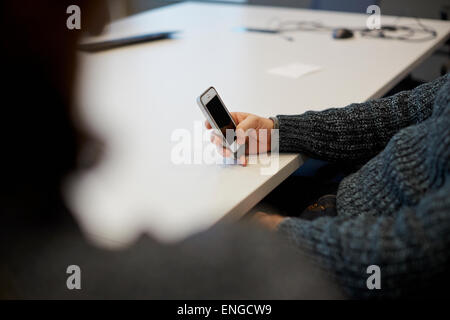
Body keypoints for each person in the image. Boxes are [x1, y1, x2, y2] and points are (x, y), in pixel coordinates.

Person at [0, 1, 343, 299]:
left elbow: (395, 249)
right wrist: (278, 131)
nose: (103, 18)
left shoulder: (243, 269)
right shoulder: (247, 271)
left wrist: (281, 233)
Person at [207, 73, 450, 298]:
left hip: (351, 248)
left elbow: (419, 252)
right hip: (352, 192)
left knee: (212, 252)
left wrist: (285, 237)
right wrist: (277, 132)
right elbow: (403, 112)